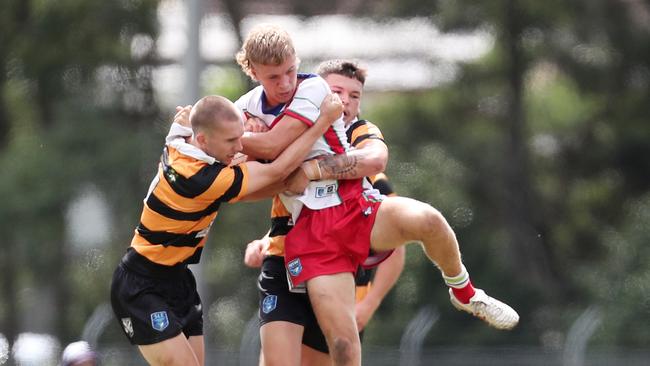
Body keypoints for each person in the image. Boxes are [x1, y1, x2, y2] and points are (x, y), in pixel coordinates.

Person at [234, 24, 519, 366]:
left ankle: (465, 291)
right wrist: (213, 132)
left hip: (355, 205)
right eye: (273, 77)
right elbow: (232, 153)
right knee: (342, 346)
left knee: (427, 219)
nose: (285, 84)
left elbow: (369, 159)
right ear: (254, 73)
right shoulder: (247, 107)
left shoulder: (314, 92)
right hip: (312, 233)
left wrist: (263, 149)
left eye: (290, 71)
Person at [109, 93, 343, 366]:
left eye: (240, 136)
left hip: (179, 280)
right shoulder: (200, 178)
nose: (240, 145)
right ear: (204, 140)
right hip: (140, 284)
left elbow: (186, 125)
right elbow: (278, 171)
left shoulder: (182, 139)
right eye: (231, 141)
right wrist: (323, 121)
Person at [242, 60, 405, 366]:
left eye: (355, 96)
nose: (345, 100)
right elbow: (293, 209)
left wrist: (368, 304)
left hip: (338, 274)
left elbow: (394, 248)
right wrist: (266, 240)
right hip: (285, 263)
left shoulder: (367, 164)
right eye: (337, 91)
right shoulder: (293, 137)